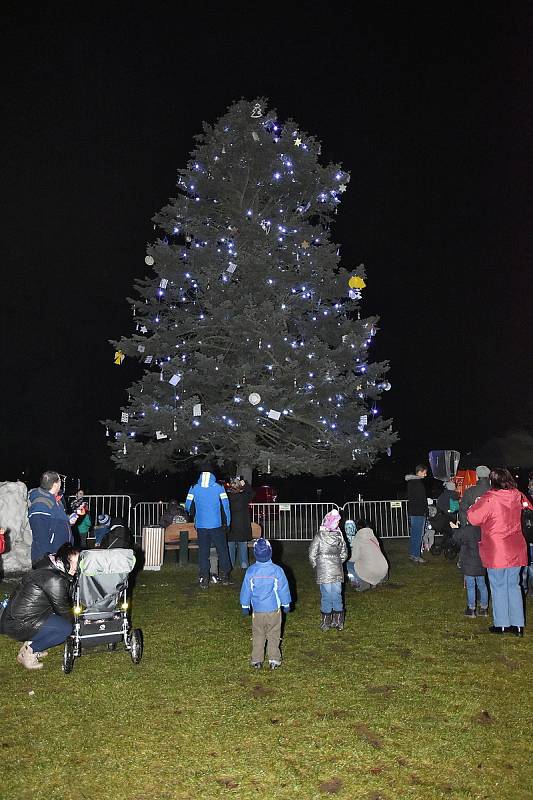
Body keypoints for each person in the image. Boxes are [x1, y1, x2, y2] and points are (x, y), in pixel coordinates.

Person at [467, 468, 532, 636]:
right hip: (516, 547)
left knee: (498, 586)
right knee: (514, 585)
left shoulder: (490, 498)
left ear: (492, 481)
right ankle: (518, 625)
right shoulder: (517, 495)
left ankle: (502, 624)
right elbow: (528, 506)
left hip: (497, 549)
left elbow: (473, 518)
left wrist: (473, 505)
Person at [0, 543, 80, 670]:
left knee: (59, 622)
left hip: (17, 618)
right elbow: (64, 611)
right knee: (65, 629)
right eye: (74, 562)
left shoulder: (47, 569)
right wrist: (77, 627)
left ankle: (30, 644)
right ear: (64, 562)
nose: (77, 567)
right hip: (19, 624)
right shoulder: (54, 580)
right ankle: (29, 652)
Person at [239, 538, 291, 670]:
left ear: (255, 554)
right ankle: (274, 659)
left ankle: (257, 659)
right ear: (271, 553)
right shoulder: (277, 571)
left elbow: (246, 590)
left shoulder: (251, 571)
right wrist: (286, 603)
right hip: (274, 610)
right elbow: (283, 588)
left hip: (258, 611)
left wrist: (245, 605)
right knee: (274, 633)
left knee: (258, 634)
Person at [185, 468, 232, 589]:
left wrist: (194, 515)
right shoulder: (219, 487)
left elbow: (188, 505)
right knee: (222, 550)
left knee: (203, 552)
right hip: (217, 525)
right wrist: (228, 522)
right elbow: (226, 505)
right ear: (212, 475)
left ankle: (204, 577)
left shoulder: (194, 487)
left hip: (201, 525)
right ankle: (225, 575)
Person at [454, 465, 491, 617]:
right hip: (489, 532)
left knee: (472, 570)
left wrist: (464, 528)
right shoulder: (493, 491)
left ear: (477, 477)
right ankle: (484, 607)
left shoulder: (470, 492)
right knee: (484, 575)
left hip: (472, 532)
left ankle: (472, 608)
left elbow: (463, 510)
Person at [308, 509, 348, 631]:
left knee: (326, 596)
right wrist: (337, 562)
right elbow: (344, 553)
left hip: (323, 571)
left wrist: (317, 565)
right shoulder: (339, 536)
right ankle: (338, 621)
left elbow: (312, 553)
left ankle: (326, 623)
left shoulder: (319, 536)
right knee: (337, 595)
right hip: (336, 570)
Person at [28, 470, 75, 566]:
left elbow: (54, 523)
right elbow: (40, 534)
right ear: (55, 484)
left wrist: (68, 521)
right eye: (60, 482)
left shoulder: (55, 501)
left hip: (61, 554)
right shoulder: (40, 504)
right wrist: (48, 556)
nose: (61, 484)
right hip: (49, 559)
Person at [346, 522, 388, 591]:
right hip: (383, 569)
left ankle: (360, 582)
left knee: (348, 564)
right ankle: (380, 579)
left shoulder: (359, 539)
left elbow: (353, 558)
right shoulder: (374, 538)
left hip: (371, 570)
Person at [227, 477, 253, 570]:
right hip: (242, 526)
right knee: (242, 545)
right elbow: (251, 493)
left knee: (230, 545)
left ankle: (230, 564)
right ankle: (244, 563)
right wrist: (244, 484)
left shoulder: (227, 497)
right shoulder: (244, 497)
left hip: (231, 526)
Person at [405, 464, 429, 564]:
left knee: (414, 533)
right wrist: (425, 510)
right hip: (419, 513)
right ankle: (416, 555)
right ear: (419, 472)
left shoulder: (410, 483)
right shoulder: (418, 483)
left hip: (413, 512)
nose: (426, 474)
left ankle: (412, 553)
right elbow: (421, 500)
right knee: (418, 535)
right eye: (424, 472)